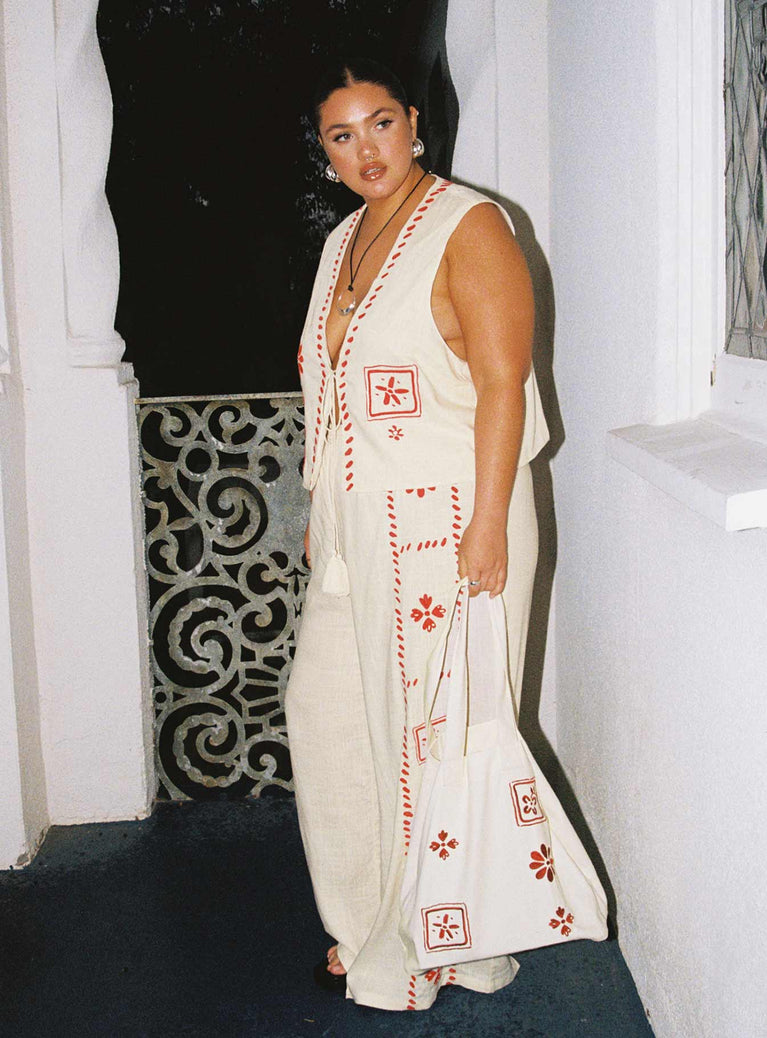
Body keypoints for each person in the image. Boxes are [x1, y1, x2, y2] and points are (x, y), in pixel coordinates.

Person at [284, 58, 550, 1011]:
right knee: (326, 716)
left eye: (381, 122)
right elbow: (333, 394)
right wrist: (322, 509)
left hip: (447, 518)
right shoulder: (343, 241)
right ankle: (369, 922)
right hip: (358, 524)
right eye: (342, 134)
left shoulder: (468, 224)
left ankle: (437, 947)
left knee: (431, 740)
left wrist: (488, 525)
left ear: (414, 124)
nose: (367, 149)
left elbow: (501, 383)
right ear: (324, 153)